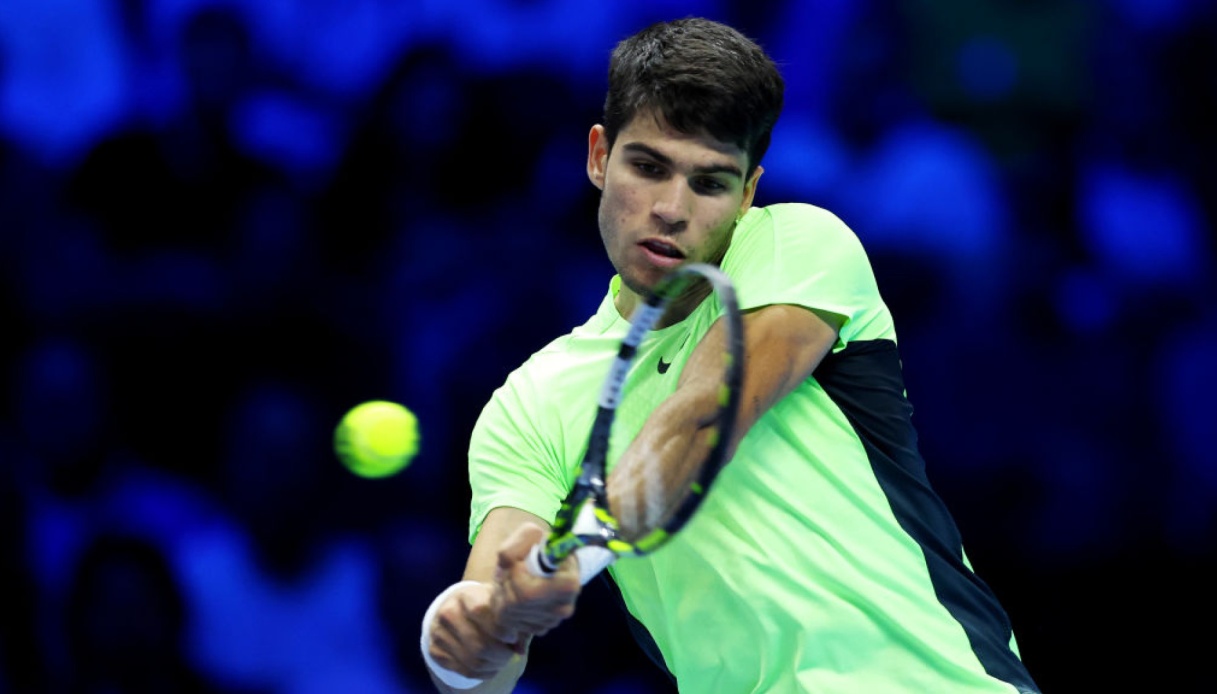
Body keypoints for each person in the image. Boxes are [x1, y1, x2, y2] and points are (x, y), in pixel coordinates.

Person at [420, 17, 1040, 694]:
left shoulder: (800, 244)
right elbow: (487, 657)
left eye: (710, 183)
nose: (670, 209)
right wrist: (459, 635)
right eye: (647, 167)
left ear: (747, 192)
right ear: (598, 156)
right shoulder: (531, 404)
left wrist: (569, 560)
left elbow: (701, 416)